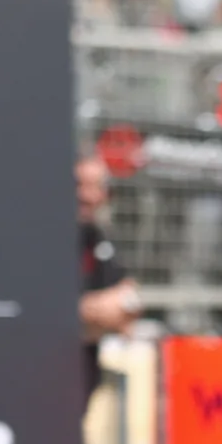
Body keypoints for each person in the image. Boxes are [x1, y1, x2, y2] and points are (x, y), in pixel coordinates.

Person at [77, 151, 141, 408]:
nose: (88, 196)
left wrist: (105, 311)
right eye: (80, 185)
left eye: (96, 187)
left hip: (84, 378)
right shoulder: (45, 238)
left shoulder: (98, 237)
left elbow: (131, 298)